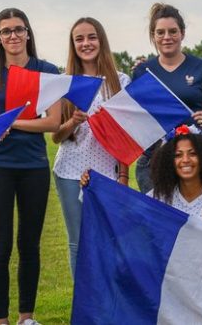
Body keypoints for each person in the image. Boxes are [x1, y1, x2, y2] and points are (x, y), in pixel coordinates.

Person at [0, 8, 61, 325]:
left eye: (18, 29)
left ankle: (26, 316)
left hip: (33, 167)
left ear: (28, 33)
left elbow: (52, 122)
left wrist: (14, 123)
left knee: (29, 244)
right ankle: (1, 319)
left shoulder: (45, 70)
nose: (13, 36)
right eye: (6, 31)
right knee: (0, 245)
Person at [81, 126, 202, 252]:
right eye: (178, 155)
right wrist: (94, 188)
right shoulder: (158, 198)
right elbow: (123, 220)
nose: (185, 160)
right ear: (169, 162)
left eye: (192, 154)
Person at [51, 17, 131, 276]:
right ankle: (84, 307)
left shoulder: (120, 81)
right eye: (79, 39)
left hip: (107, 172)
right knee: (78, 242)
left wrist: (123, 175)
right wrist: (72, 122)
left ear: (101, 40)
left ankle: (107, 305)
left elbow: (128, 136)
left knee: (108, 241)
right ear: (73, 45)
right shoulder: (66, 83)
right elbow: (56, 137)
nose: (86, 43)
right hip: (70, 172)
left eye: (91, 37)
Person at [132, 3, 202, 194]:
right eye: (160, 32)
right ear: (153, 36)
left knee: (196, 220)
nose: (167, 37)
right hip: (154, 159)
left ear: (182, 33)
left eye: (173, 31)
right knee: (160, 220)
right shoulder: (142, 71)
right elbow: (135, 117)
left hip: (195, 157)